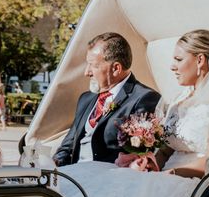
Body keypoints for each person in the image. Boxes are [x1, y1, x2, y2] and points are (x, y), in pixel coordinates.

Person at [58, 30, 209, 197]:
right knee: (90, 186)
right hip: (162, 176)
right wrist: (150, 161)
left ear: (200, 60)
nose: (172, 66)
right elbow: (167, 148)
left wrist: (168, 174)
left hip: (192, 181)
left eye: (179, 60)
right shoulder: (180, 100)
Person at [53, 32, 161, 166]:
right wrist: (53, 165)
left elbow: (137, 152)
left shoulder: (145, 98)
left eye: (93, 65)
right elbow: (67, 146)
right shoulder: (85, 99)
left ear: (116, 68)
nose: (87, 72)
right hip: (73, 175)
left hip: (110, 177)